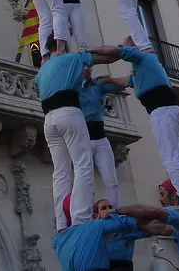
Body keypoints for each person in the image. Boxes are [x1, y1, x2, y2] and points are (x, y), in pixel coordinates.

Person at [36, 41, 132, 231]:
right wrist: (125, 50)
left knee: (61, 172)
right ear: (62, 43)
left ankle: (62, 222)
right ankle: (80, 218)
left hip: (49, 119)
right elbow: (110, 57)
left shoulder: (43, 71)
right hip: (69, 114)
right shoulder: (73, 58)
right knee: (82, 166)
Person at [106, 39, 179, 209]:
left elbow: (118, 51)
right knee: (171, 157)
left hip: (162, 110)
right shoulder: (141, 71)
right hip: (165, 109)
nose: (125, 49)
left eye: (128, 46)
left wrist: (87, 52)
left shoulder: (145, 59)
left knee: (170, 158)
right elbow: (125, 81)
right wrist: (108, 80)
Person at [116, 181, 179, 271]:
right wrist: (140, 225)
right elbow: (163, 229)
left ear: (174, 195)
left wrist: (118, 211)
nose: (160, 200)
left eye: (162, 194)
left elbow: (153, 212)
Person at [54, 195, 148, 271]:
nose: (108, 211)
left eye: (110, 207)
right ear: (96, 215)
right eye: (104, 208)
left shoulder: (124, 230)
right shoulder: (93, 237)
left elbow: (148, 226)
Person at [80, 63, 124, 208]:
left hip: (100, 139)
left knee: (111, 180)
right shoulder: (73, 87)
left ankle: (114, 212)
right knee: (85, 182)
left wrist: (107, 79)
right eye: (83, 67)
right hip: (82, 140)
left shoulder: (97, 86)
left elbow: (120, 86)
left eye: (88, 67)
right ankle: (86, 214)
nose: (86, 69)